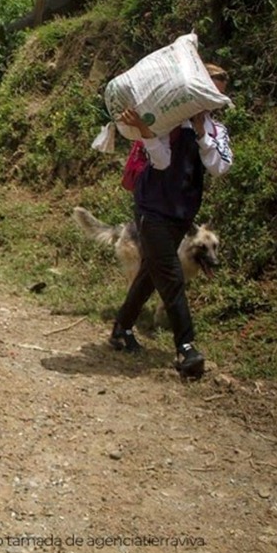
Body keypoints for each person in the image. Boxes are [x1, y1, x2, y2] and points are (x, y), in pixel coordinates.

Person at [109, 63, 233, 379]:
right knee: (171, 274)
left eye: (216, 96)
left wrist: (202, 130)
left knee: (151, 272)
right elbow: (161, 160)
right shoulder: (168, 121)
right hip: (151, 209)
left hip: (182, 214)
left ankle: (121, 328)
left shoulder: (216, 132)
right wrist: (148, 131)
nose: (211, 100)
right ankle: (187, 348)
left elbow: (219, 167)